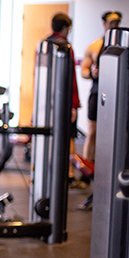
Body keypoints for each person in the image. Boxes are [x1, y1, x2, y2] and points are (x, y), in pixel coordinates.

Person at [78, 11, 121, 210]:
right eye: (111, 22)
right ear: (104, 23)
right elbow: (84, 70)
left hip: (116, 94)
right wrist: (92, 73)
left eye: (117, 22)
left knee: (112, 134)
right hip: (97, 93)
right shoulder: (95, 46)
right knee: (93, 133)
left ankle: (109, 171)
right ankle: (86, 174)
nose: (114, 25)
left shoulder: (122, 44)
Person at [43, 13, 83, 189]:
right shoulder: (65, 47)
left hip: (46, 99)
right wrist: (74, 104)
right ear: (65, 27)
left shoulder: (43, 45)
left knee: (46, 135)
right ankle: (69, 174)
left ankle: (43, 171)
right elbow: (71, 78)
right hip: (63, 98)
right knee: (68, 136)